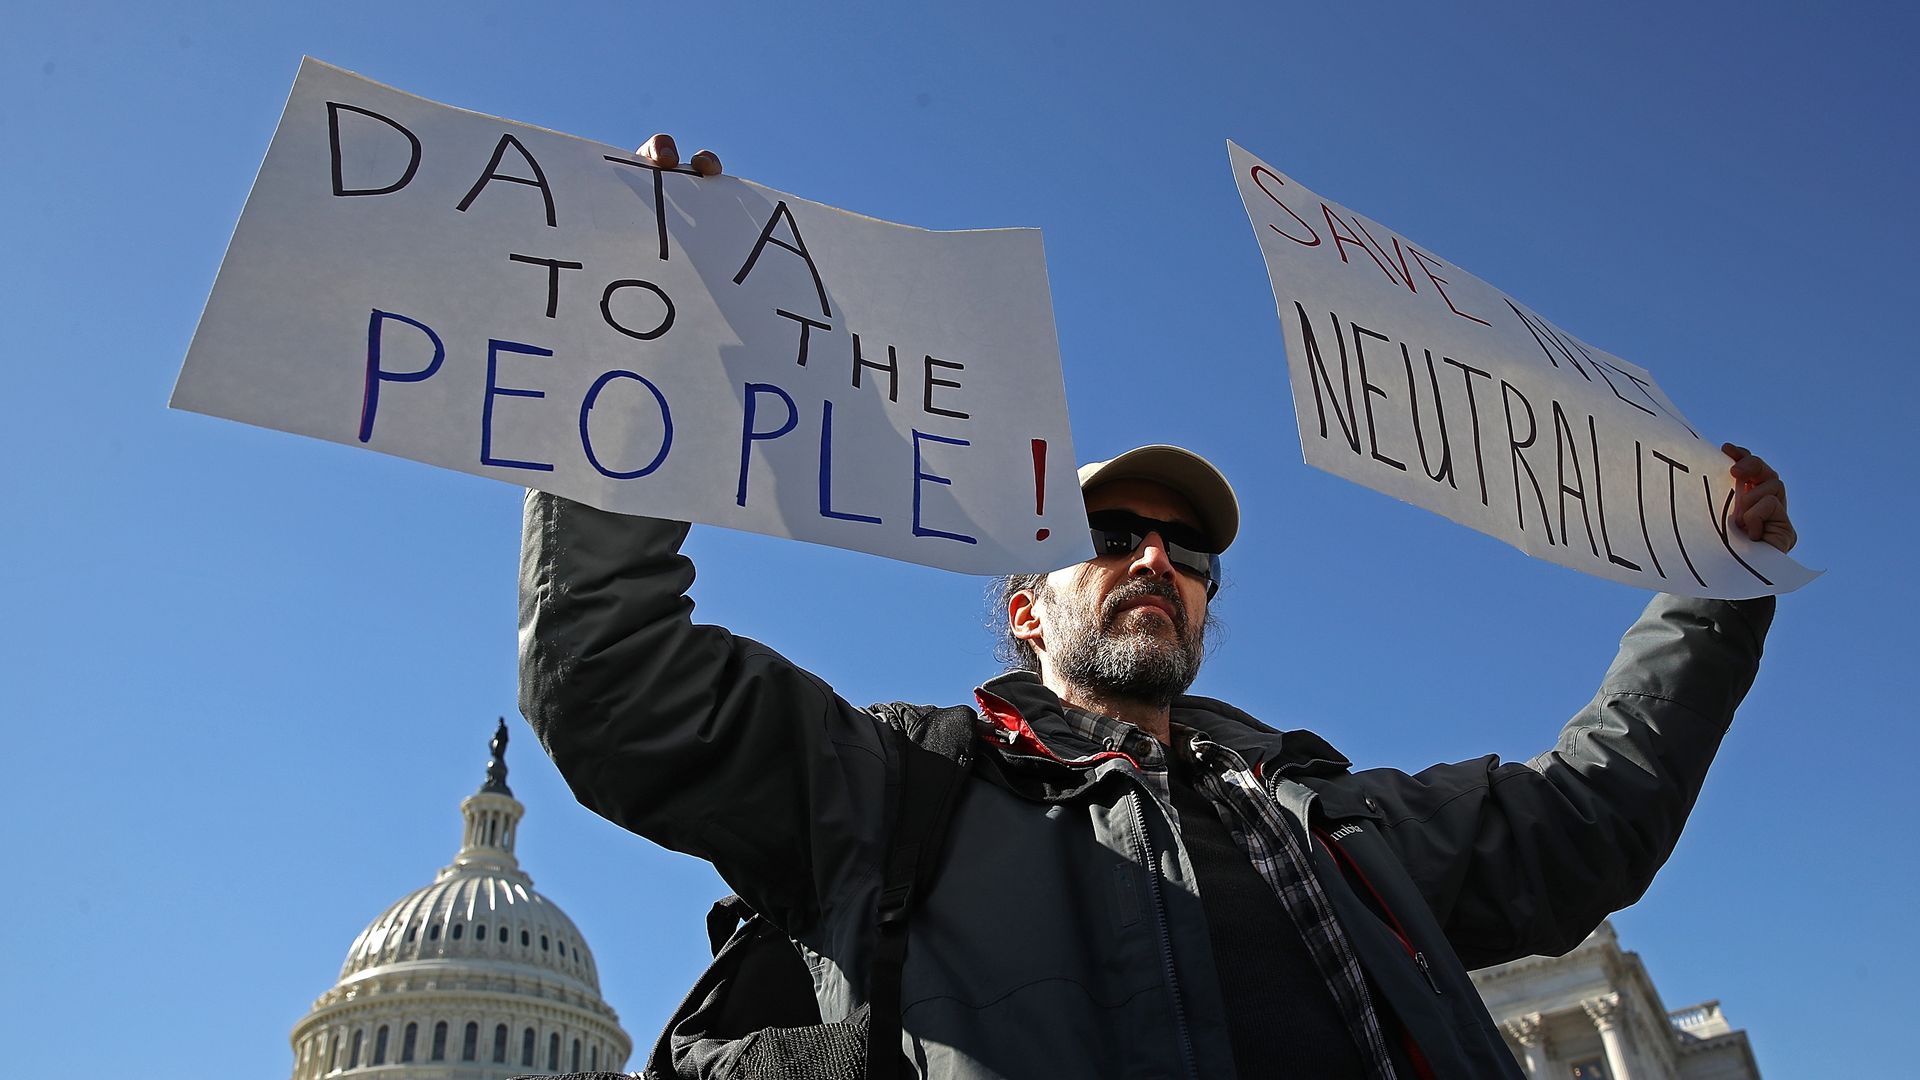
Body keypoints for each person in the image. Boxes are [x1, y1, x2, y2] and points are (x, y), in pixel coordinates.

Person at [518, 136, 1795, 1080]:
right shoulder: (891, 788)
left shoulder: (1344, 825)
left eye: (1186, 548)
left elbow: (1596, 810)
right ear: (1025, 610)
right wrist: (646, 354)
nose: (1153, 557)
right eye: (1107, 535)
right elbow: (616, 679)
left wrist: (1714, 591)